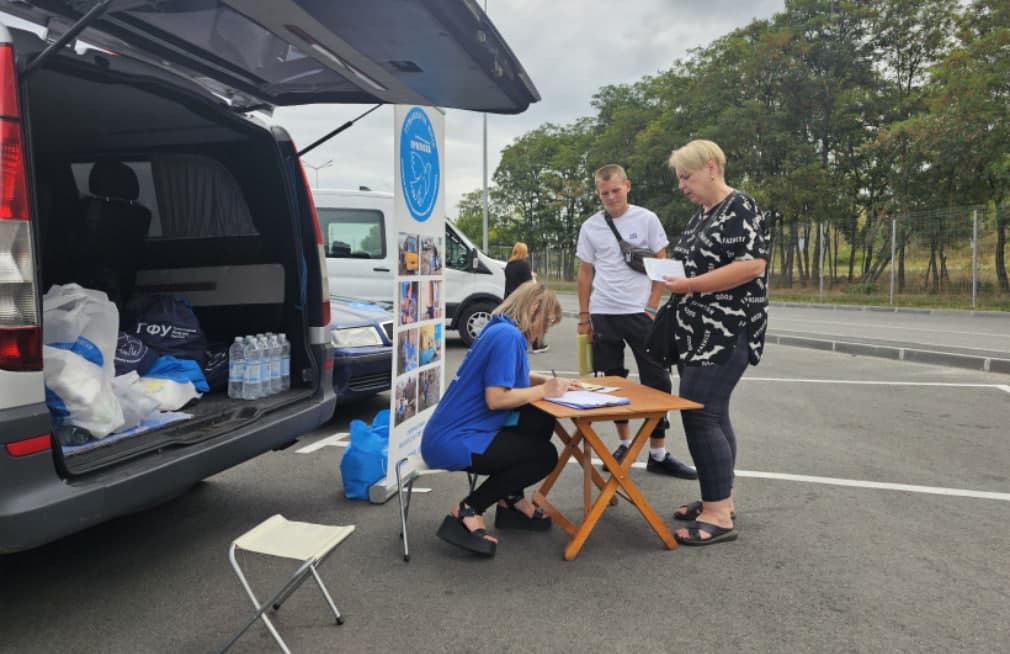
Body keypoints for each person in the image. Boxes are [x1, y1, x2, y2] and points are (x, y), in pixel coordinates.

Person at [661, 139, 769, 546]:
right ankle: (718, 496)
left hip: (727, 329)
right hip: (698, 331)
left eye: (686, 177)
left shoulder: (740, 206)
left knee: (700, 412)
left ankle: (719, 514)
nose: (682, 186)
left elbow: (751, 265)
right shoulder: (703, 214)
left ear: (711, 167)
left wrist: (688, 284)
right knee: (714, 414)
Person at [421, 281, 575, 557]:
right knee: (544, 456)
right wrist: (544, 389)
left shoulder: (499, 327)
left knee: (539, 419)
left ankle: (511, 499)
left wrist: (551, 382)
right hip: (454, 441)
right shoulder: (509, 337)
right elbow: (497, 398)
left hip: (448, 433)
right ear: (534, 308)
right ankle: (468, 509)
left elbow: (510, 377)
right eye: (546, 322)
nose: (544, 332)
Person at [575, 164, 697, 479]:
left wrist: (652, 307)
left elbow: (662, 263)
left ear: (627, 185)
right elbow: (585, 272)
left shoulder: (646, 219)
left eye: (616, 190)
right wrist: (585, 316)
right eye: (604, 193)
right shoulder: (590, 226)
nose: (611, 197)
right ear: (598, 193)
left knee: (657, 380)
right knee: (613, 384)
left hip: (641, 313)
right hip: (604, 313)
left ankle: (658, 451)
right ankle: (625, 443)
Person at [504, 242, 548, 353]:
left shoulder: (509, 265)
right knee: (533, 318)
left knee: (515, 321)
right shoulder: (523, 265)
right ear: (523, 252)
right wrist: (532, 276)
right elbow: (528, 283)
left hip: (510, 297)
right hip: (522, 297)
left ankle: (512, 343)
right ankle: (537, 344)